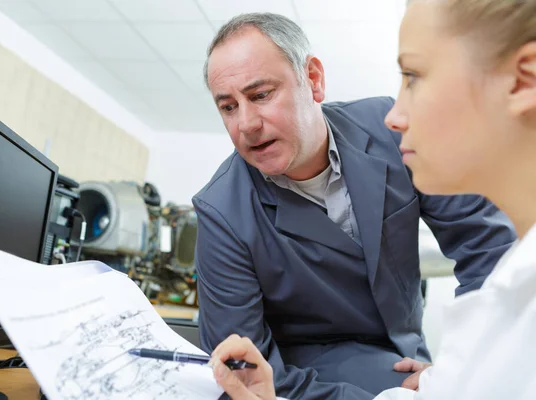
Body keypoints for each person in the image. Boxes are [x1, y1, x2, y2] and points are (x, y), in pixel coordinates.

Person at [207, 0, 536, 399]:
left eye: (260, 95)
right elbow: (244, 369)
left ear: (312, 79)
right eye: (228, 107)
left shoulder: (390, 131)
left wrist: (463, 365)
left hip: (411, 354)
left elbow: (487, 248)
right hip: (312, 378)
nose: (246, 125)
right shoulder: (220, 210)